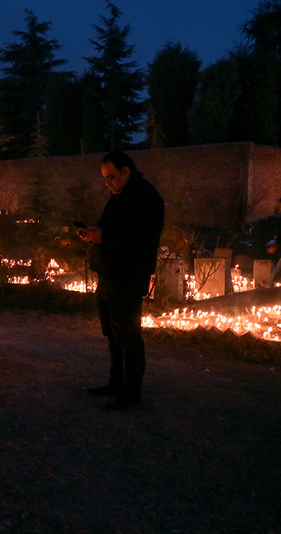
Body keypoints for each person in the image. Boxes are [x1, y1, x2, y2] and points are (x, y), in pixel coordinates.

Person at [79, 151, 164, 410]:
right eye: (105, 178)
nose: (108, 183)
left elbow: (142, 239)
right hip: (109, 274)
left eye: (111, 177)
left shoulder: (147, 198)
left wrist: (104, 238)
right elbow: (112, 228)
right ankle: (116, 383)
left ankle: (131, 392)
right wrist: (95, 234)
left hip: (128, 276)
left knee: (128, 335)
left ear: (126, 170)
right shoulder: (119, 196)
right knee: (114, 335)